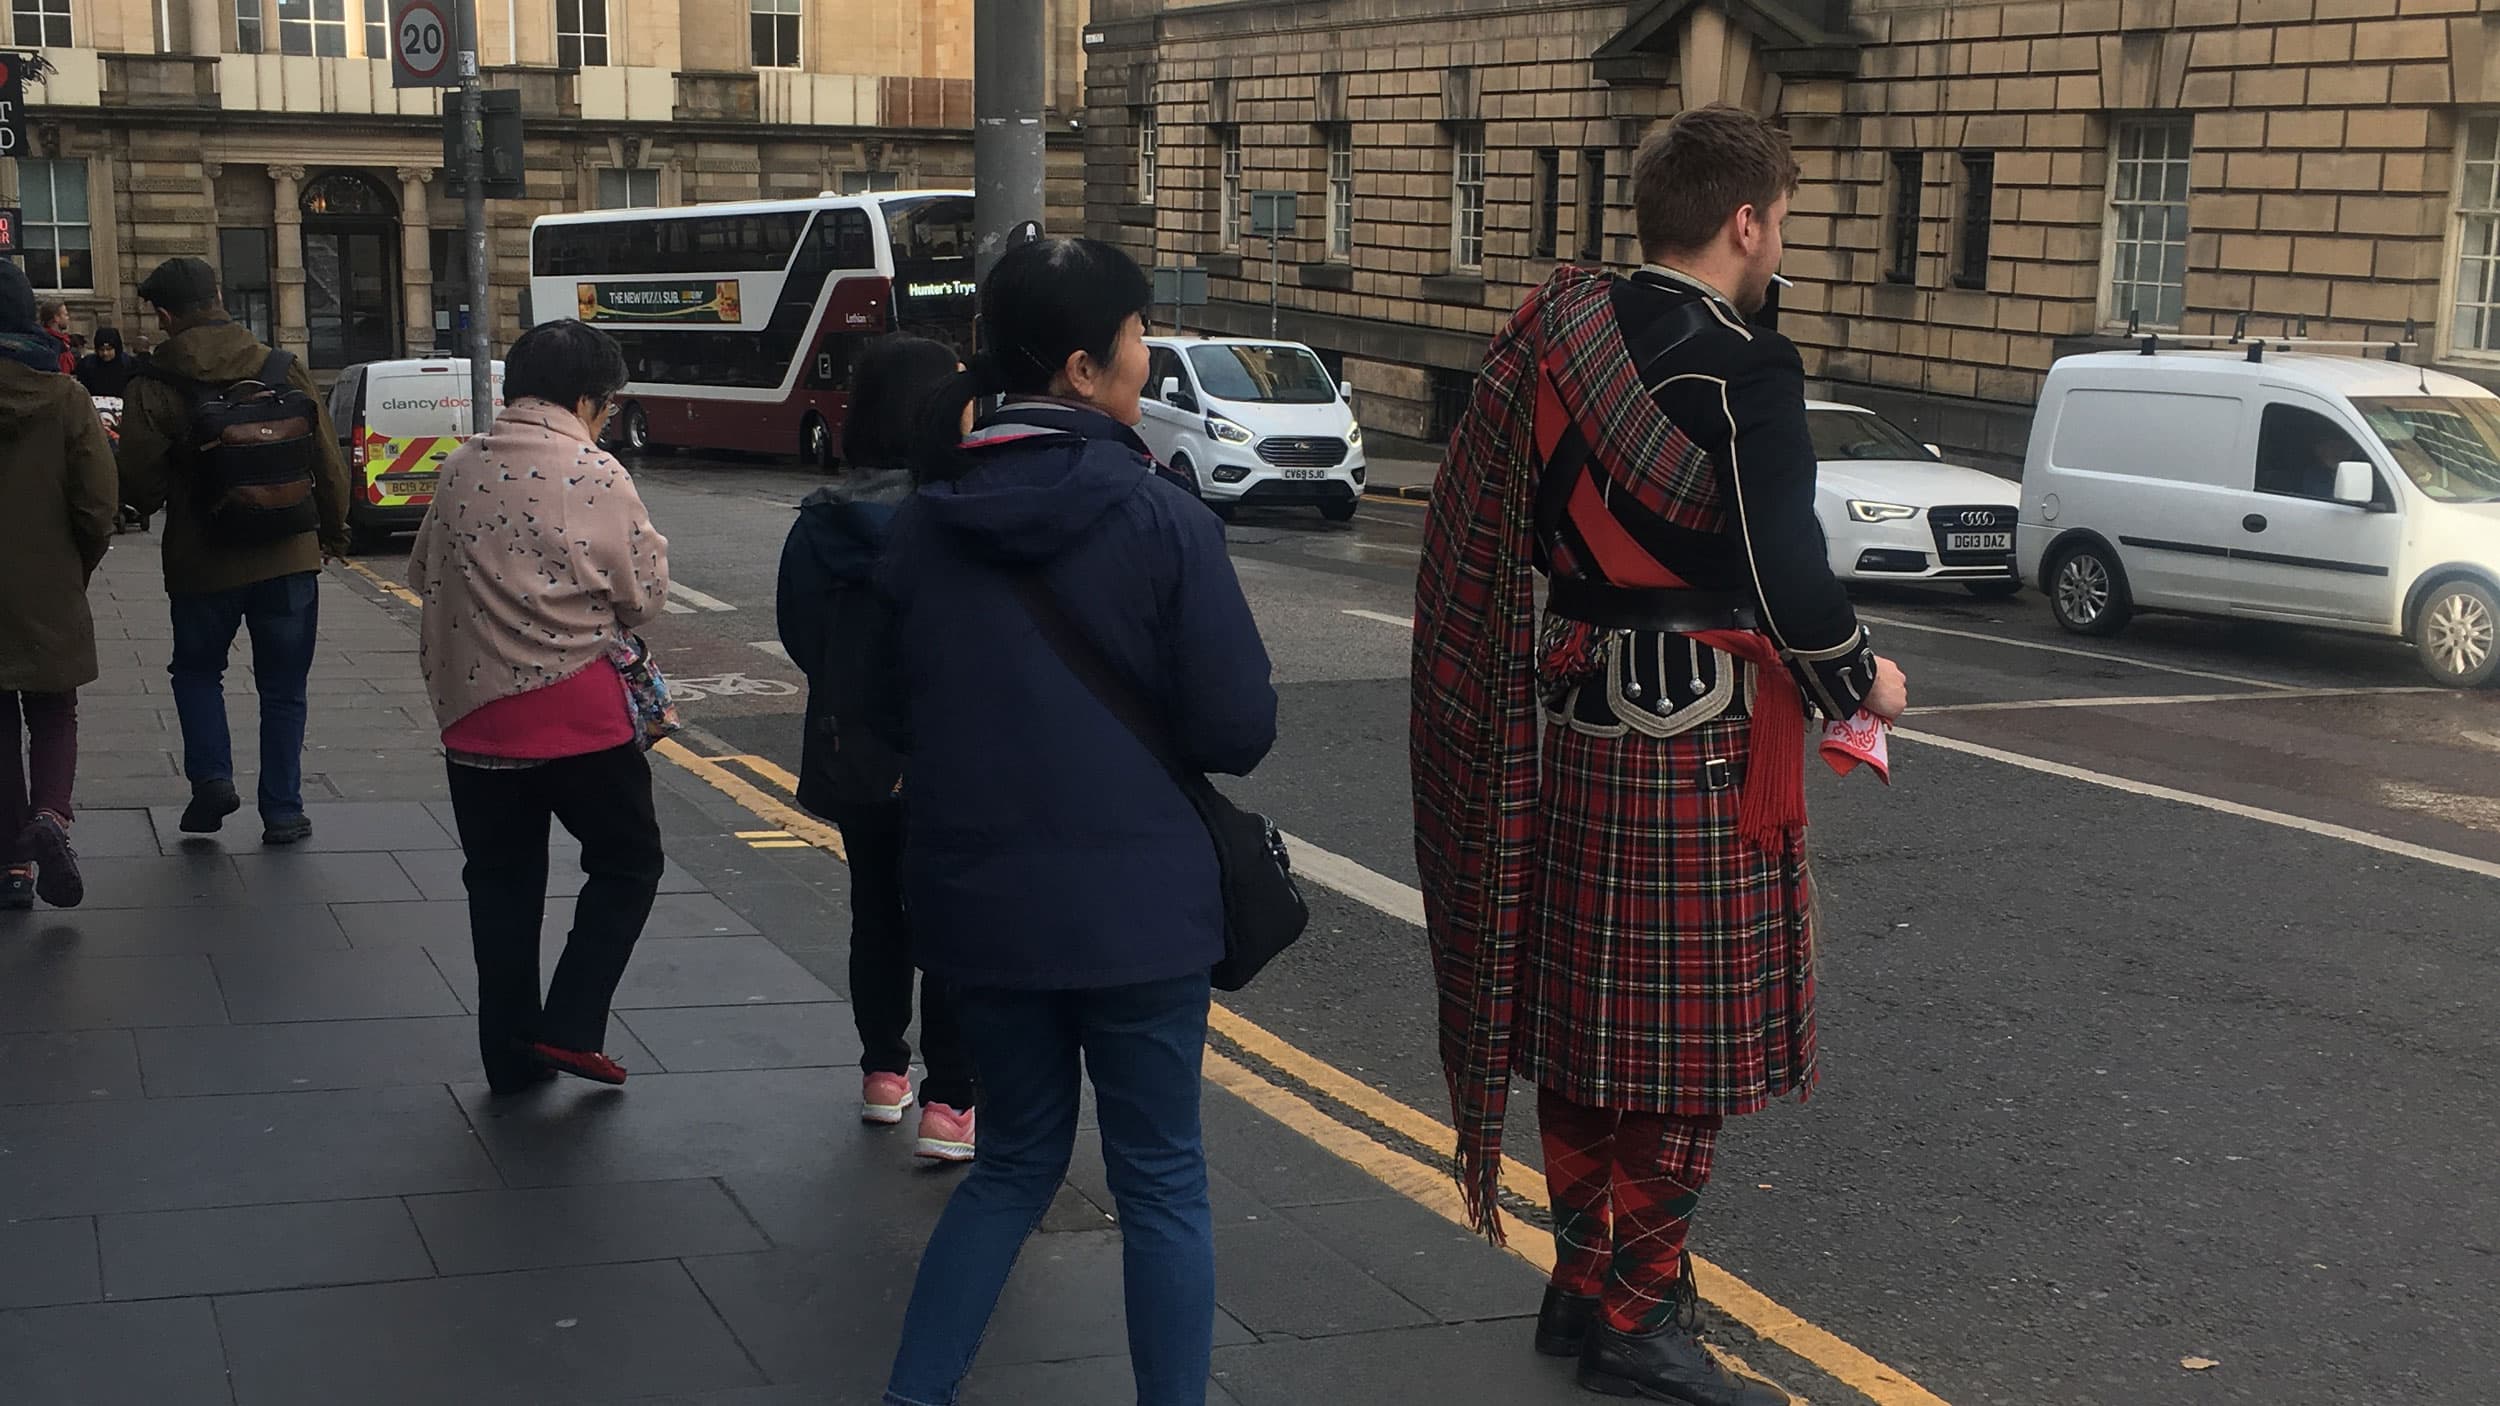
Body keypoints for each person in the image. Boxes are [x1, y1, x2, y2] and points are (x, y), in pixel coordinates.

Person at [1411, 104, 1910, 1406]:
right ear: (1746, 221)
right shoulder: (1744, 365)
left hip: (1572, 724)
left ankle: (1579, 1287)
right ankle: (1636, 1312)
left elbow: (1503, 527)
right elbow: (1785, 572)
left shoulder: (1555, 340)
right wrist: (1860, 678)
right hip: (1691, 738)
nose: (1779, 242)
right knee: (1686, 1052)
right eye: (1781, 221)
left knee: (1581, 1036)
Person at [877, 238, 1277, 1406]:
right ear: (1079, 366)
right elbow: (1235, 727)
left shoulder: (924, 521)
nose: (1146, 352)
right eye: (1137, 333)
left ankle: (914, 1394)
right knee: (1159, 1177)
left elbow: (882, 708)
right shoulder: (1161, 520)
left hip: (976, 901)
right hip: (1140, 909)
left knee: (1007, 1166)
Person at [408, 319, 670, 1093]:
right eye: (608, 407)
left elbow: (424, 569)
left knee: (501, 885)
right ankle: (571, 1023)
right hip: (577, 716)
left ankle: (512, 1058)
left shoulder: (459, 468)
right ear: (589, 400)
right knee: (628, 863)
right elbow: (644, 596)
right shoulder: (596, 472)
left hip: (474, 719)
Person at [775, 334, 980, 1161]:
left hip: (854, 749)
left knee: (875, 911)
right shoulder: (963, 519)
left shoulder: (820, 526)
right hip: (951, 756)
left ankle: (882, 1078)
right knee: (955, 924)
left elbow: (800, 637)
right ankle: (951, 1104)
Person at [117, 256, 352, 846]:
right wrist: (331, 532)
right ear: (219, 296)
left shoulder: (153, 384)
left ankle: (212, 779)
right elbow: (327, 461)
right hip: (289, 554)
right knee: (283, 688)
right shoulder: (283, 368)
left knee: (197, 672)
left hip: (203, 559)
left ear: (166, 315)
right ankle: (284, 811)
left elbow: (139, 486)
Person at [0, 263, 119, 911]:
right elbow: (99, 503)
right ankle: (49, 816)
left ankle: (13, 865)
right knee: (52, 710)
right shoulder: (66, 397)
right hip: (47, 580)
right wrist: (76, 565)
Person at [76, 327, 133, 399]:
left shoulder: (128, 364)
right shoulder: (86, 365)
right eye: (101, 349)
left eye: (109, 349)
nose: (105, 353)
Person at [37, 299, 76, 375]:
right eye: (65, 315)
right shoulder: (55, 344)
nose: (68, 318)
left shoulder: (41, 337)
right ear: (56, 318)